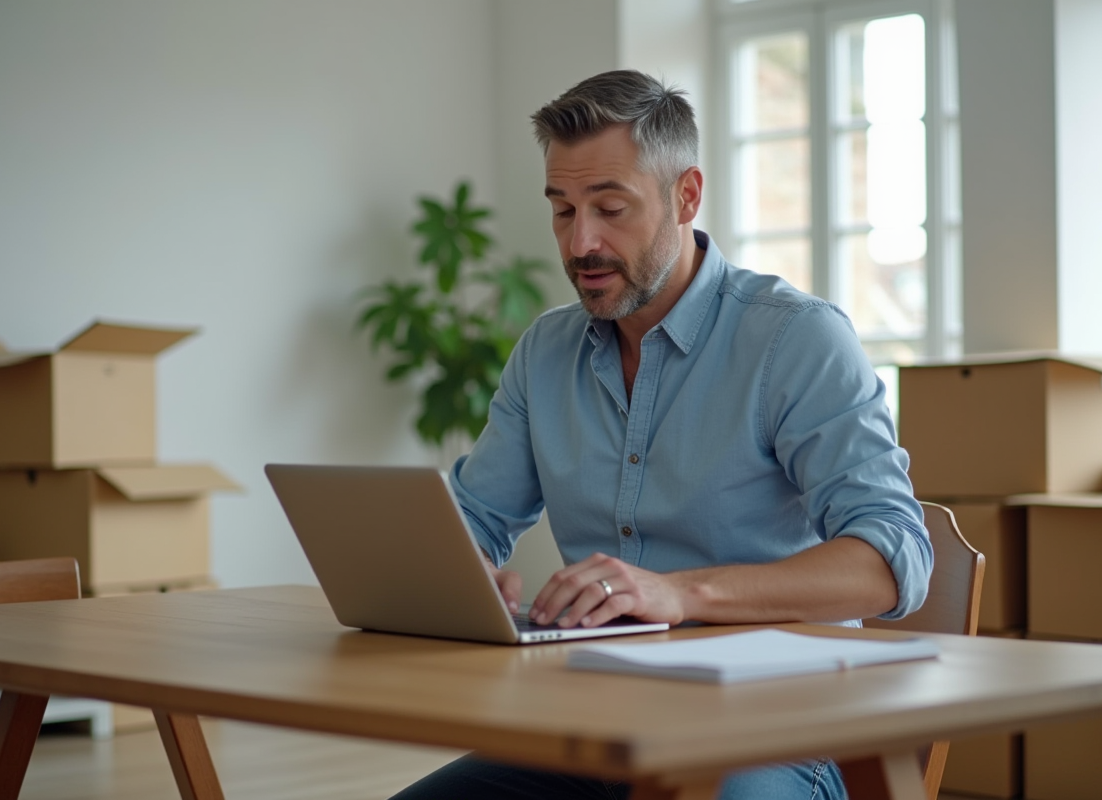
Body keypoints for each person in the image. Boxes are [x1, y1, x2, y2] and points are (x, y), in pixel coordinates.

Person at [392, 69, 931, 800]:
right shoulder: (545, 354)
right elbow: (474, 518)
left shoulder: (794, 341)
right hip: (593, 730)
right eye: (562, 210)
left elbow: (891, 561)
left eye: (611, 208)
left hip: (776, 736)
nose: (581, 241)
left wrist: (679, 593)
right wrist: (456, 572)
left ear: (686, 196)